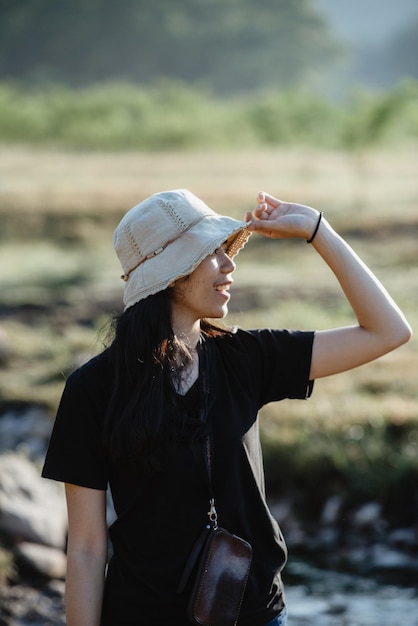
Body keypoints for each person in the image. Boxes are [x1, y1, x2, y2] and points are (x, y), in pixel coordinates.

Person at [42, 188, 411, 626]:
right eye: (212, 252)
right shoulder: (93, 388)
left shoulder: (247, 357)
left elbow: (387, 331)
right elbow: (86, 547)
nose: (230, 264)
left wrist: (318, 230)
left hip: (255, 614)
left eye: (226, 249)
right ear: (171, 274)